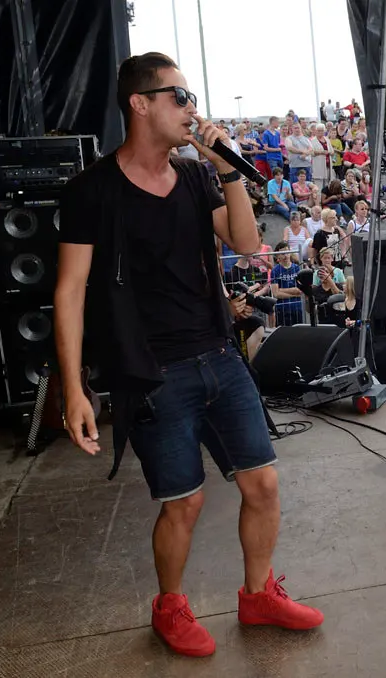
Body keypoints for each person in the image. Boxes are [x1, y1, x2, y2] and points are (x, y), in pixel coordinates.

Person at [54, 53, 322, 658]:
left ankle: (258, 595)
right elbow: (69, 291)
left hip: (218, 354)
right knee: (184, 503)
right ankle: (169, 606)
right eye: (178, 96)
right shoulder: (92, 190)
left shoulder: (198, 177)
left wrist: (227, 170)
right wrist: (74, 387)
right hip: (152, 370)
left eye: (192, 97)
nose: (191, 108)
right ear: (139, 104)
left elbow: (247, 243)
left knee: (262, 483)